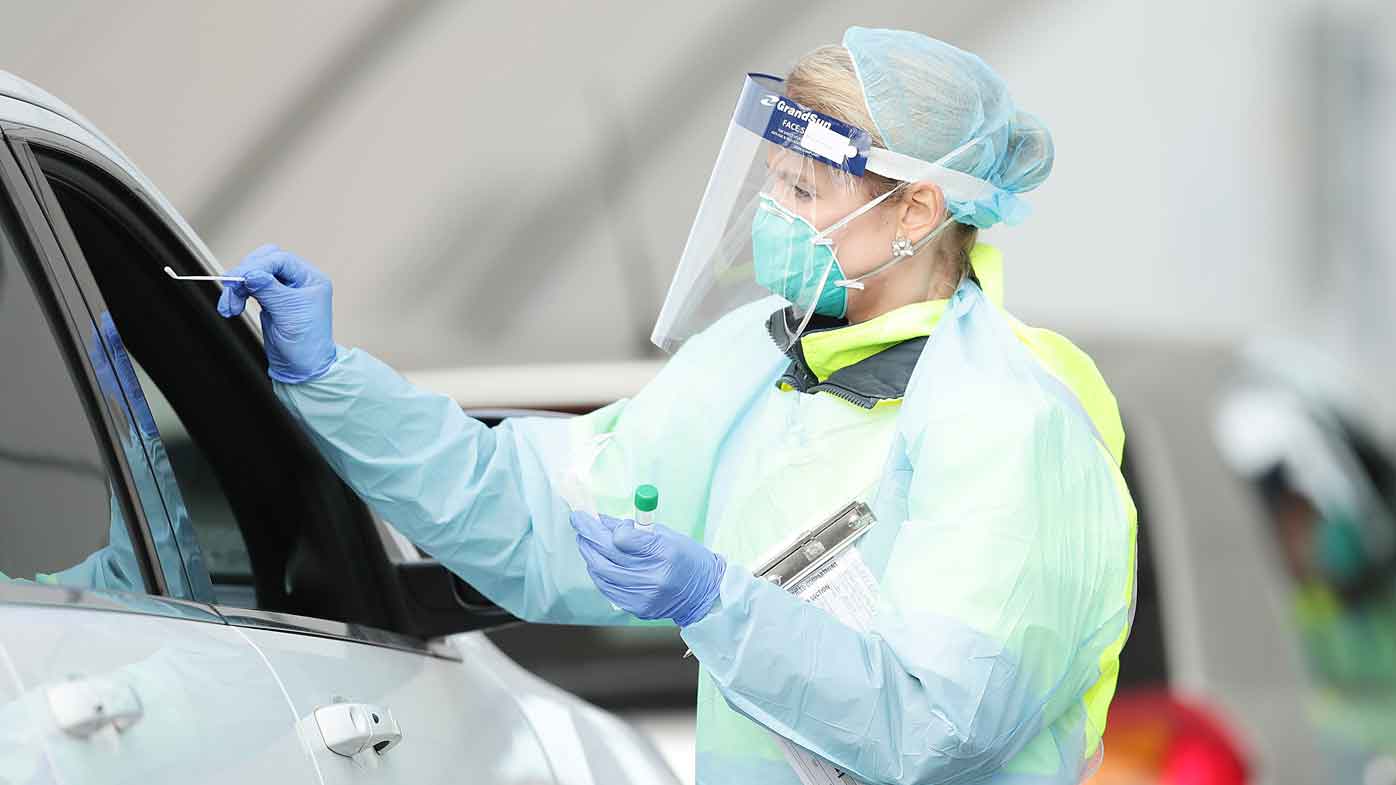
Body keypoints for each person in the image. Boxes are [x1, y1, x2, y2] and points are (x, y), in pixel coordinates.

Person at [217, 27, 1137, 785]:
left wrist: (718, 601)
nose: (772, 211)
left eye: (803, 188)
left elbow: (938, 724)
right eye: (773, 179)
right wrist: (330, 377)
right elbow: (534, 515)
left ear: (914, 211)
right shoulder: (754, 363)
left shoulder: (1009, 422)